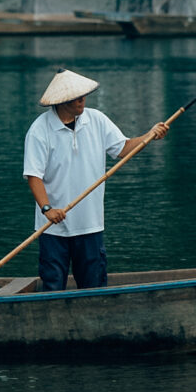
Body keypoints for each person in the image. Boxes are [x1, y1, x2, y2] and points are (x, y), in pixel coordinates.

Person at [23, 68, 169, 292]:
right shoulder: (40, 130)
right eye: (75, 97)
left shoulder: (97, 120)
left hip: (89, 224)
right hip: (53, 227)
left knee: (94, 287)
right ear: (62, 101)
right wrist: (47, 209)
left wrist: (149, 135)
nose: (82, 100)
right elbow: (34, 176)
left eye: (83, 95)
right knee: (52, 286)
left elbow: (122, 149)